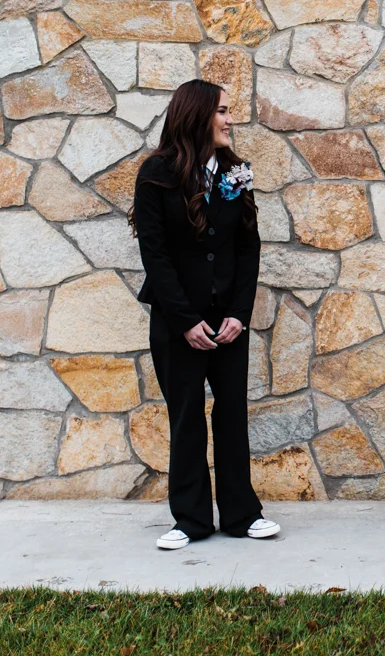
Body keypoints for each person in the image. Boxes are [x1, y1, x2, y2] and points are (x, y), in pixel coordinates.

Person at [130, 79, 279, 551]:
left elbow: (248, 246)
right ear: (197, 114)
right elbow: (155, 254)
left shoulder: (237, 172)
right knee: (186, 418)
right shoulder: (155, 174)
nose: (231, 119)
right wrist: (184, 321)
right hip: (179, 324)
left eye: (230, 110)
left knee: (231, 414)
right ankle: (190, 519)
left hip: (228, 321)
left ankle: (241, 514)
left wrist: (239, 312)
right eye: (223, 111)